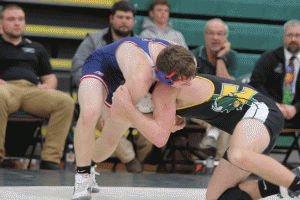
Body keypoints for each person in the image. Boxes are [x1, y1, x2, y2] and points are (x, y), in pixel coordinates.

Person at [112, 53, 300, 199]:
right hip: (251, 121)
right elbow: (162, 127)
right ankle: (281, 187)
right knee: (218, 197)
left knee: (238, 154)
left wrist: (128, 107)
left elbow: (159, 138)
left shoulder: (163, 90)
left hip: (260, 110)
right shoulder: (161, 90)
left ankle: (296, 184)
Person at [72, 39, 196, 200]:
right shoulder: (141, 77)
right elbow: (116, 115)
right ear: (164, 77)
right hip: (102, 65)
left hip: (129, 75)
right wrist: (158, 120)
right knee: (89, 113)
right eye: (183, 83)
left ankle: (89, 163)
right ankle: (82, 176)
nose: (188, 85)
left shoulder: (188, 61)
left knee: (110, 142)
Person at [71, 0, 152, 173]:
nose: (124, 21)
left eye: (128, 17)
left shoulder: (140, 44)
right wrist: (95, 87)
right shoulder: (93, 40)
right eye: (120, 17)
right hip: (99, 92)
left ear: (133, 21)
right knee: (98, 116)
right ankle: (129, 159)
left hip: (129, 96)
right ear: (111, 19)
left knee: (150, 125)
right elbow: (78, 68)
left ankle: (137, 158)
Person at [0, 4, 75, 170]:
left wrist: (48, 85)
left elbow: (50, 78)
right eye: (11, 19)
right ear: (1, 23)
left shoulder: (36, 48)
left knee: (66, 102)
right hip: (6, 89)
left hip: (32, 91)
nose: (17, 23)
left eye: (20, 19)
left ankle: (50, 159)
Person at [190, 18, 238, 159]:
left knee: (226, 111)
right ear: (205, 36)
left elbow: (227, 88)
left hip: (221, 107)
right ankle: (220, 163)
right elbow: (192, 92)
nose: (215, 37)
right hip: (196, 106)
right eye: (211, 33)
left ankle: (211, 138)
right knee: (226, 116)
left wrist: (220, 58)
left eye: (220, 34)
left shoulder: (232, 56)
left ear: (226, 38)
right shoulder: (193, 56)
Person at [249, 20, 300, 132]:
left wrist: (295, 108)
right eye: (290, 35)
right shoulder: (269, 57)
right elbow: (256, 84)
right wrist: (274, 105)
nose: (293, 39)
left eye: (297, 35)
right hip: (269, 109)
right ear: (284, 37)